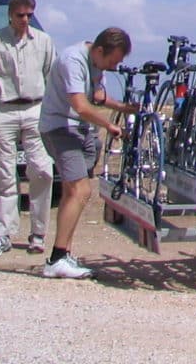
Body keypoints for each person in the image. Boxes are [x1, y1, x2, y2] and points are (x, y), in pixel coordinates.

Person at [38, 27, 136, 278]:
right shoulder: (73, 60)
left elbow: (98, 96)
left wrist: (124, 107)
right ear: (100, 50)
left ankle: (64, 254)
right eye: (112, 61)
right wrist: (110, 125)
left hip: (80, 130)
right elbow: (81, 106)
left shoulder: (96, 63)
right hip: (60, 128)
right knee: (81, 190)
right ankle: (56, 259)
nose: (113, 67)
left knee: (72, 192)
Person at [0, 0, 56, 258]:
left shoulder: (44, 41)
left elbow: (51, 77)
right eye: (20, 15)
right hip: (4, 110)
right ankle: (3, 234)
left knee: (42, 171)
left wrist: (51, 112)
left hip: (35, 109)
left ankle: (38, 234)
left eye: (29, 15)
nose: (25, 20)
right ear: (10, 15)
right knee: (5, 175)